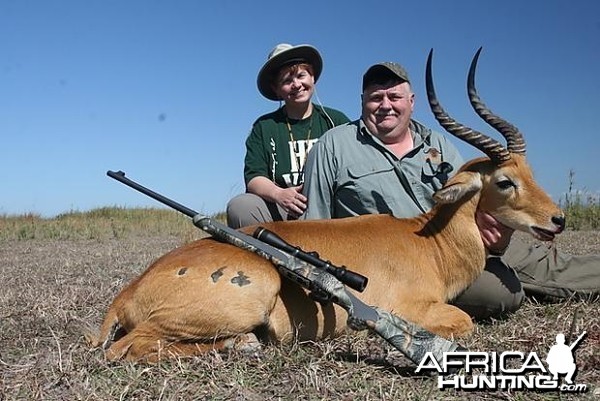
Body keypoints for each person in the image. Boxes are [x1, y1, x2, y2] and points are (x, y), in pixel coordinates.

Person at [301, 60, 600, 320]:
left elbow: (478, 200)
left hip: (473, 238)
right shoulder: (334, 145)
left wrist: (500, 237)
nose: (386, 104)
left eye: (395, 96)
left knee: (553, 265)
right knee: (500, 294)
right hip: (408, 262)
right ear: (362, 100)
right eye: (376, 97)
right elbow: (317, 224)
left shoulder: (437, 144)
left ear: (412, 101)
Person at [226, 43, 350, 229]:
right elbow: (254, 178)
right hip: (283, 210)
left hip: (330, 209)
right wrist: (279, 195)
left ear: (313, 77)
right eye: (286, 80)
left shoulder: (336, 120)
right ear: (276, 89)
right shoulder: (264, 127)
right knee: (240, 207)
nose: (297, 85)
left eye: (301, 75)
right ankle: (274, 255)